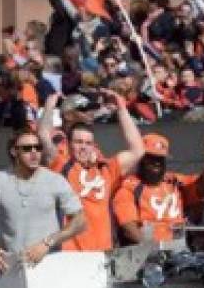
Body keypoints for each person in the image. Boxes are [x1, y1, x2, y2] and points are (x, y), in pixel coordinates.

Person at [37, 89, 145, 251]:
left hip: (103, 250)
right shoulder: (63, 165)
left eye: (88, 143)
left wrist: (122, 109)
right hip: (70, 252)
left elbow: (138, 150)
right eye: (79, 142)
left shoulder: (106, 168)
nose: (84, 147)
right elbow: (43, 136)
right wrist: (49, 107)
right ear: (69, 144)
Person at [0, 129, 86, 273]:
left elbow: (80, 220)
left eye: (38, 148)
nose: (34, 152)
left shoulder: (55, 180)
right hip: (8, 267)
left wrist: (47, 242)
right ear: (14, 152)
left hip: (49, 264)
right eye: (27, 148)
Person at [112, 134, 204, 245]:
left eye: (160, 158)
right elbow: (129, 228)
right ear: (141, 159)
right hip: (147, 252)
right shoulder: (129, 188)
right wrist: (152, 248)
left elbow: (203, 185)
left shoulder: (174, 181)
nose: (157, 162)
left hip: (179, 247)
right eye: (151, 158)